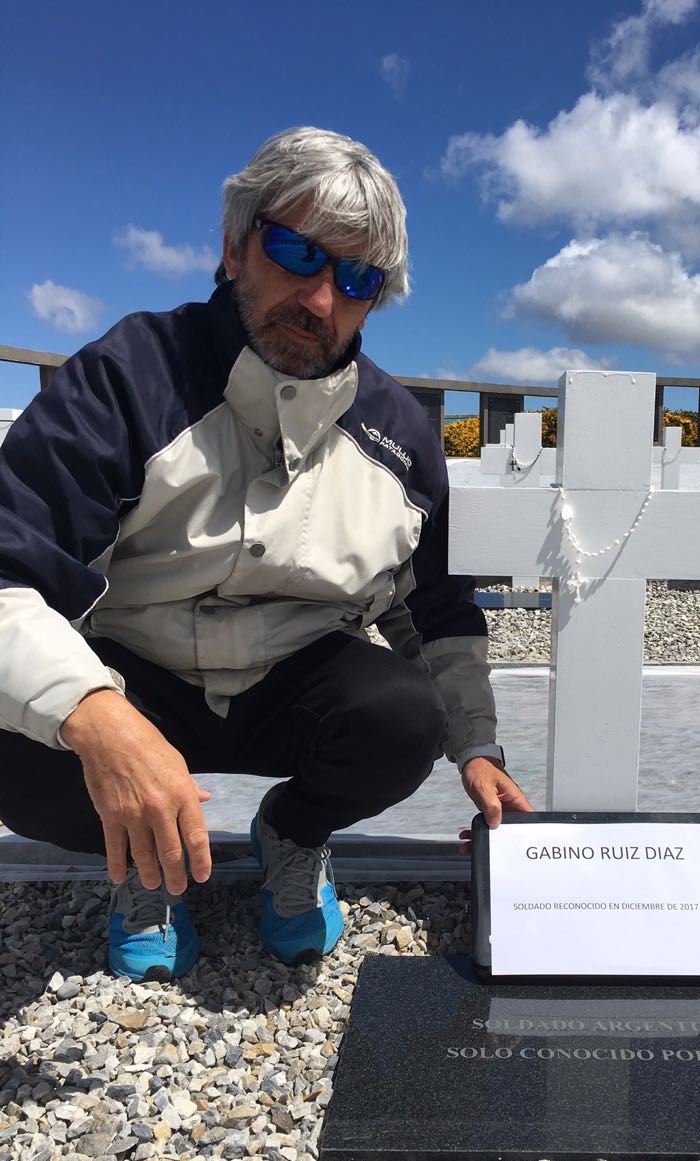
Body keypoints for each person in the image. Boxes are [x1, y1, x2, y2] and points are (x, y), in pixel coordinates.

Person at [0, 126, 532, 981]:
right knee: (16, 739)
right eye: (297, 252)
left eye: (358, 279)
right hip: (137, 669)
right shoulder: (131, 378)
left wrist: (477, 747)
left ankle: (293, 830)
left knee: (404, 718)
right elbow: (10, 567)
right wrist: (96, 717)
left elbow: (435, 607)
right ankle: (143, 862)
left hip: (295, 680)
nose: (321, 299)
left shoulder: (397, 433)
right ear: (233, 247)